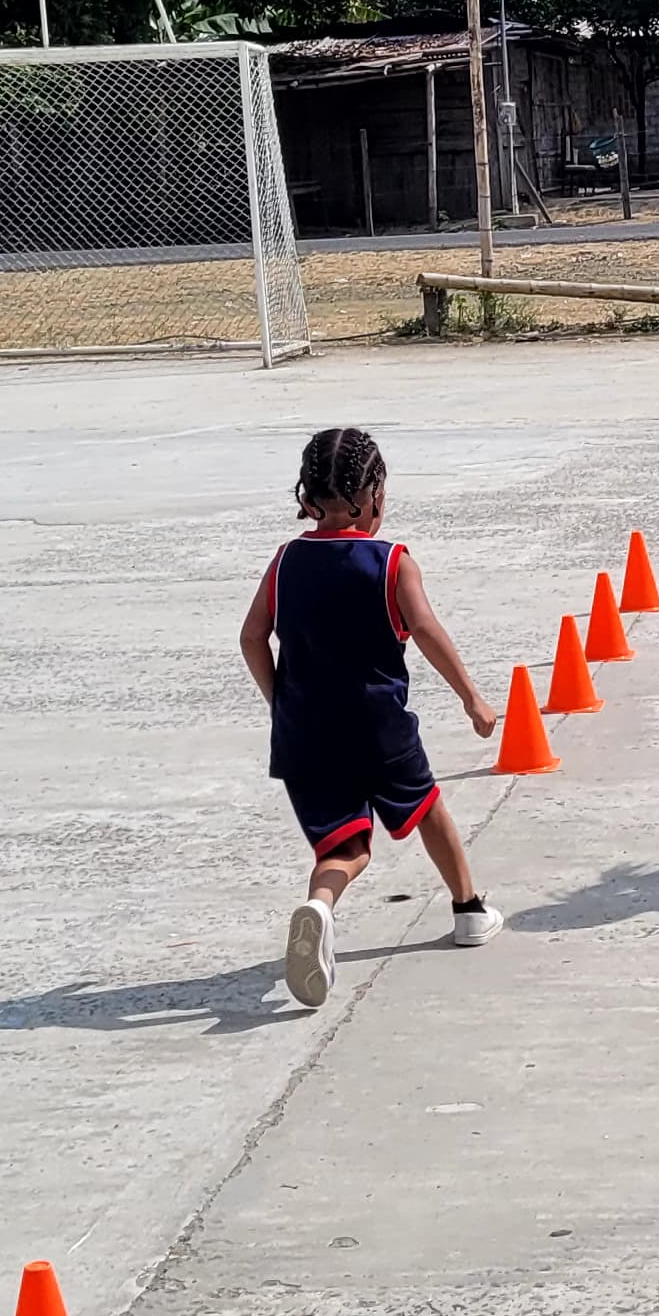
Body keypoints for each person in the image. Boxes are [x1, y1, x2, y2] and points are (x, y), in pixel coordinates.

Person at [240, 428, 501, 1006]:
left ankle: (320, 906)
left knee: (344, 849)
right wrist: (472, 697)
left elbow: (252, 636)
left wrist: (281, 702)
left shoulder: (285, 561)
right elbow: (427, 631)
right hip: (377, 728)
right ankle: (468, 911)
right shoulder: (392, 563)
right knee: (427, 808)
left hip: (305, 736)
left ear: (307, 496)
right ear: (376, 494)